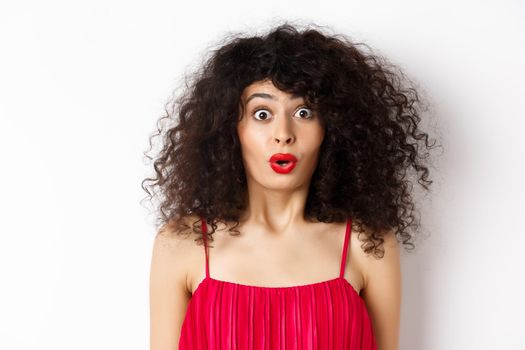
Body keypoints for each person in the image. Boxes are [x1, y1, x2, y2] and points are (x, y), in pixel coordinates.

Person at [145, 22, 437, 350]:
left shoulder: (368, 245)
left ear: (332, 128)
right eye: (261, 114)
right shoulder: (182, 244)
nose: (283, 133)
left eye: (303, 111)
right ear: (230, 129)